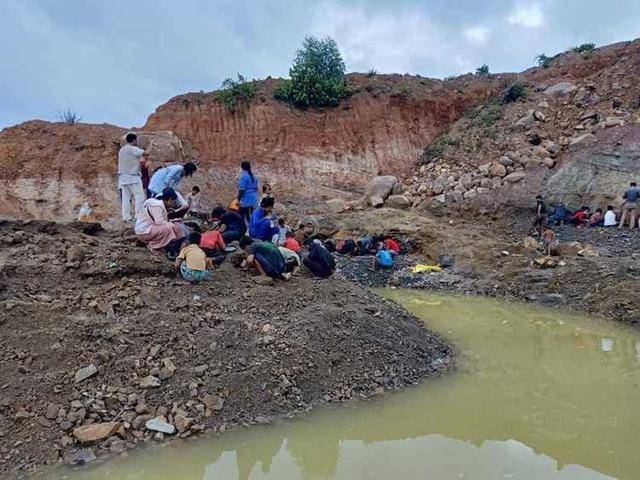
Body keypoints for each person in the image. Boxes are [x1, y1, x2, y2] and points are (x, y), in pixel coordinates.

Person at [135, 188, 184, 254]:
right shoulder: (157, 206)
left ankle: (165, 245)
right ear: (169, 200)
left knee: (175, 226)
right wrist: (171, 223)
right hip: (143, 232)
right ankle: (153, 246)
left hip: (149, 229)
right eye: (173, 201)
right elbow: (159, 222)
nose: (173, 204)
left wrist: (173, 221)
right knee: (168, 228)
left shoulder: (160, 205)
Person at [117, 133, 146, 222]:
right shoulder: (133, 149)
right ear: (133, 140)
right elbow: (146, 153)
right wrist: (152, 144)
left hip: (122, 177)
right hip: (132, 177)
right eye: (136, 140)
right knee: (139, 196)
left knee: (126, 198)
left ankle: (126, 217)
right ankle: (138, 215)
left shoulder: (122, 150)